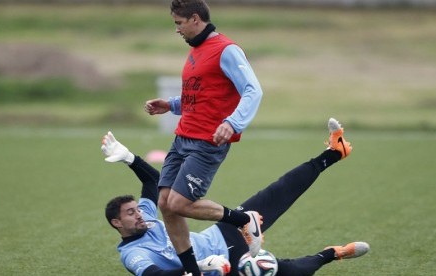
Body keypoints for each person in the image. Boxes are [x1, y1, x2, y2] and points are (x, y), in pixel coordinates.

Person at [102, 118, 369, 276]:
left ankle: (334, 152)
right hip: (223, 268)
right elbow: (156, 275)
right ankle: (333, 254)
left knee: (279, 191)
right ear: (117, 223)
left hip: (224, 235)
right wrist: (205, 266)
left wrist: (129, 158)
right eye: (130, 213)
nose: (139, 214)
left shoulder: (146, 218)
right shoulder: (132, 254)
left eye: (137, 209)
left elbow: (152, 181)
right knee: (285, 271)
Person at [143, 1, 264, 274]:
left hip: (207, 142)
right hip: (182, 136)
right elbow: (201, 95)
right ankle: (191, 271)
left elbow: (253, 91)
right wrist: (172, 105)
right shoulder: (197, 50)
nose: (177, 30)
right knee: (165, 204)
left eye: (179, 23)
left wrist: (232, 123)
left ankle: (245, 220)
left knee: (179, 203)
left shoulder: (226, 50)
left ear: (195, 19)